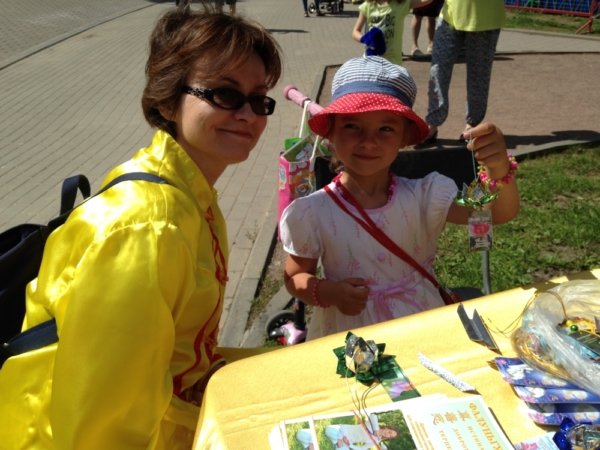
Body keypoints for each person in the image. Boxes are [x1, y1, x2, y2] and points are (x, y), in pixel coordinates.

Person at [0, 6, 281, 449]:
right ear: (169, 99)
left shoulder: (188, 193)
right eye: (225, 94)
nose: (248, 113)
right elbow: (103, 429)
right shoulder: (148, 227)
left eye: (259, 98)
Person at [279, 56, 519, 340]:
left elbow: (493, 212)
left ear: (405, 136)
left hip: (418, 324)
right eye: (352, 126)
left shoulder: (425, 195)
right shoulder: (313, 212)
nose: (369, 140)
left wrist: (498, 169)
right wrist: (328, 292)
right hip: (350, 331)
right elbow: (294, 277)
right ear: (330, 132)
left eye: (386, 129)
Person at [422, 0, 505, 145]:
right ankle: (432, 124)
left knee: (478, 74)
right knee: (438, 69)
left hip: (485, 19)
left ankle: (472, 125)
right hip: (450, 15)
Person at [351, 0, 433, 65]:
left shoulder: (401, 4)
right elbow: (355, 32)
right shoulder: (368, 5)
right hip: (372, 60)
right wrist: (365, 39)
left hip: (393, 63)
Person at [324, 413, 398, 449]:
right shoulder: (374, 424)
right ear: (387, 428)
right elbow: (373, 415)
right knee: (328, 429)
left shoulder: (376, 441)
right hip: (342, 430)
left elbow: (362, 448)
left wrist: (350, 445)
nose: (388, 434)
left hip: (346, 442)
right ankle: (338, 441)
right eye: (390, 432)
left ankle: (337, 442)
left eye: (390, 436)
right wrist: (376, 430)